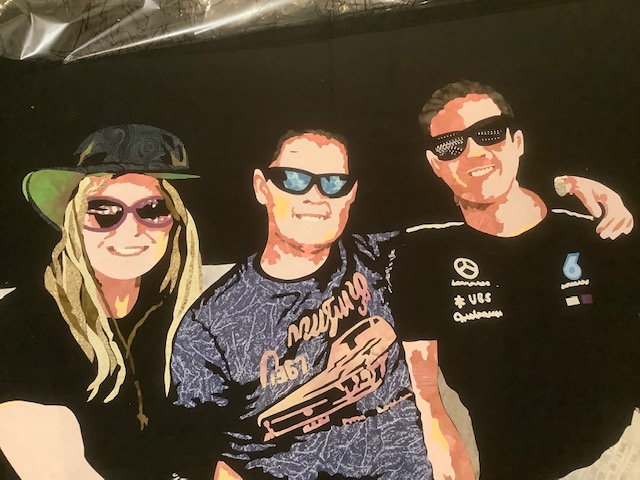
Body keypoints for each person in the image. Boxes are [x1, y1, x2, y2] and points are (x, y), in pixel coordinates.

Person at [392, 80, 640, 479]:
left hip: (618, 457)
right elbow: (424, 383)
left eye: (489, 133)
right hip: (503, 468)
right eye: (452, 145)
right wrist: (446, 454)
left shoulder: (593, 232)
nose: (474, 152)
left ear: (517, 141)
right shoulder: (421, 251)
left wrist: (568, 182)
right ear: (436, 164)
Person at [171, 130, 436, 480]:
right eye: (294, 180)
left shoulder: (384, 259)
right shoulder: (208, 323)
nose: (315, 197)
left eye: (333, 183)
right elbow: (193, 454)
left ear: (351, 194)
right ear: (262, 187)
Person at [0, 124, 213, 480]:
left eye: (152, 209)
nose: (131, 230)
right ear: (73, 221)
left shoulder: (185, 314)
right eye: (104, 211)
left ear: (175, 222)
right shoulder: (23, 323)